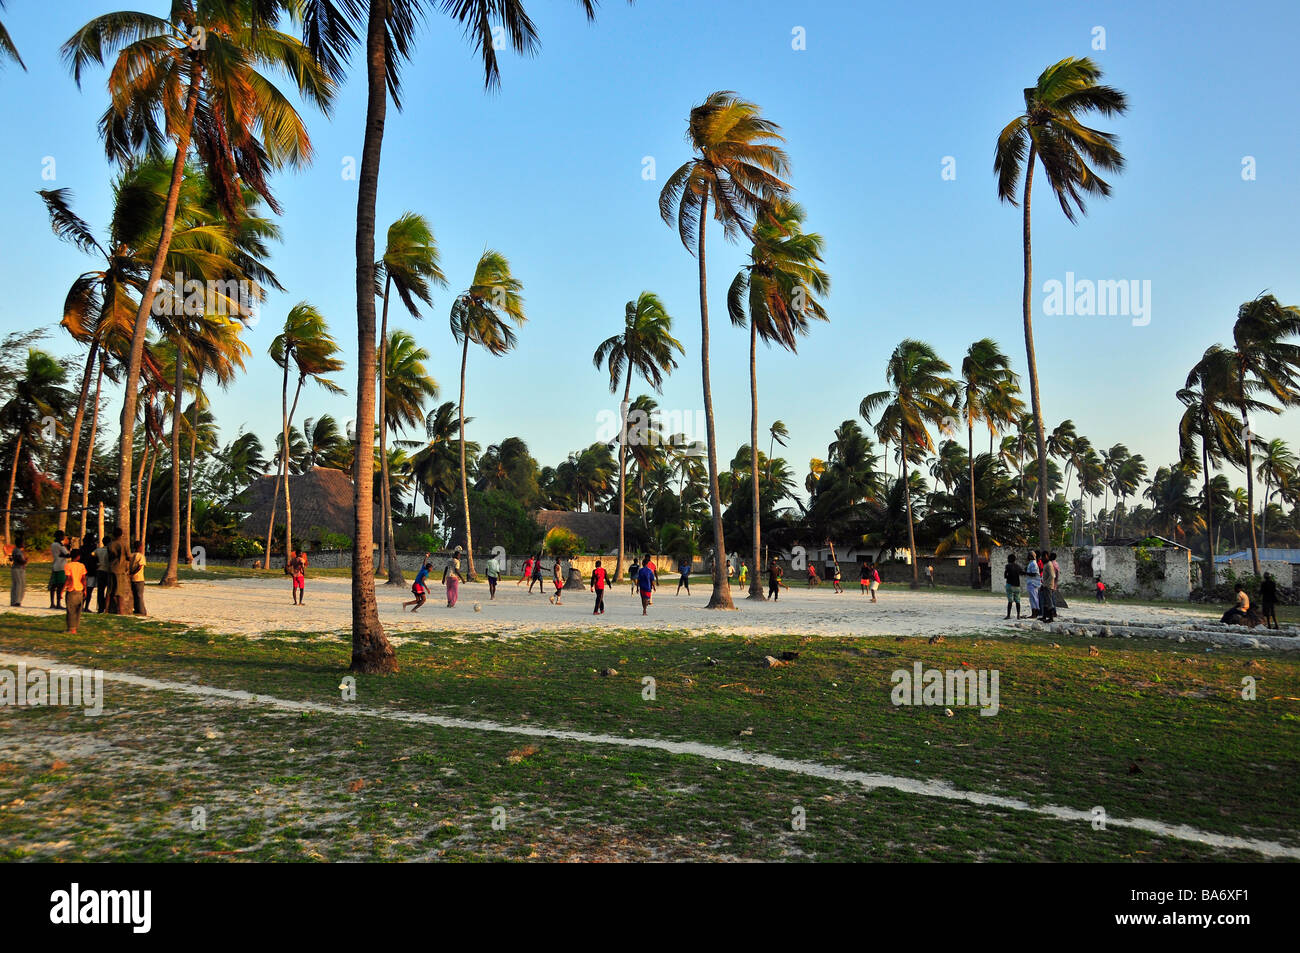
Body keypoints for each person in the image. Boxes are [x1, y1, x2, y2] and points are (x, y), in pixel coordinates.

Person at [64, 547, 87, 634]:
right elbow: (84, 579)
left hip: (71, 590)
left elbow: (68, 578)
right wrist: (85, 590)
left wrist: (62, 589)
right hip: (80, 590)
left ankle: (71, 629)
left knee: (70, 610)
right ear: (78, 557)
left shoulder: (68, 565)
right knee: (78, 610)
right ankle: (75, 628)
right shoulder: (82, 566)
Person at [48, 531, 69, 609]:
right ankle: (58, 603)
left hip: (55, 565)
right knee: (60, 585)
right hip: (61, 567)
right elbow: (67, 554)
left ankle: (52, 603)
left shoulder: (53, 544)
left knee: (53, 586)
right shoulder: (60, 545)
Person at [130, 540, 147, 616]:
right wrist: (133, 573)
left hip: (131, 578)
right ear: (140, 547)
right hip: (139, 578)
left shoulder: (131, 555)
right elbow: (140, 566)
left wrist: (130, 574)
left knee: (134, 595)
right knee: (139, 595)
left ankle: (136, 609)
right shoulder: (141, 556)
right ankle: (142, 611)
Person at [8, 538, 27, 607]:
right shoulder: (17, 550)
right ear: (19, 544)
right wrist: (25, 561)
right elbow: (20, 560)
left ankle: (15, 601)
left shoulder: (19, 550)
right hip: (17, 569)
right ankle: (16, 601)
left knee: (18, 585)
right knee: (18, 585)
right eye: (22, 543)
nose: (23, 544)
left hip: (20, 569)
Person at [1003, 553, 1022, 619]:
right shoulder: (1018, 566)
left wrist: (1005, 573)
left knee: (1010, 601)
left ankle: (1008, 615)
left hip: (1009, 584)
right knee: (1018, 601)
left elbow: (1005, 576)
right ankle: (1018, 615)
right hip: (1017, 585)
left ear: (1009, 559)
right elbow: (1021, 572)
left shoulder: (1007, 566)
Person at [93, 536, 110, 612]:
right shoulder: (110, 551)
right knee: (109, 590)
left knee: (100, 590)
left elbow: (92, 556)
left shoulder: (98, 550)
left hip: (100, 570)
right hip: (108, 571)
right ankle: (107, 607)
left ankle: (100, 607)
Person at [1039, 553, 1056, 622]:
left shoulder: (1049, 564)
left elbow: (1052, 576)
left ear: (1047, 557)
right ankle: (1044, 616)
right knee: (1045, 602)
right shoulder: (1046, 564)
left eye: (1044, 557)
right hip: (1045, 585)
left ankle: (1051, 617)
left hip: (1048, 586)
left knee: (1049, 602)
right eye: (1042, 557)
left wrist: (1046, 584)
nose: (1043, 558)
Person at [1024, 550, 1042, 618]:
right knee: (1032, 598)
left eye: (1028, 555)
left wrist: (1025, 573)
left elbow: (1034, 574)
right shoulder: (1031, 563)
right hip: (1031, 582)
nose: (1027, 557)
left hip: (1033, 583)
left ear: (1031, 556)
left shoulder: (1033, 564)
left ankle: (1035, 613)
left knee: (1034, 598)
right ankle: (1034, 613)